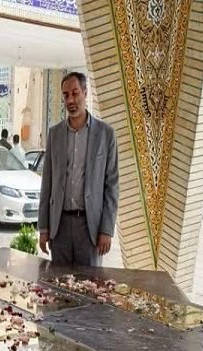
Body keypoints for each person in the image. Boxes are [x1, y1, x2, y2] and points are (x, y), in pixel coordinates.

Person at [37, 72, 118, 266]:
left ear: (85, 93)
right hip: (60, 226)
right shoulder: (54, 134)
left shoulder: (106, 134)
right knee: (58, 281)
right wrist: (44, 227)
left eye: (75, 93)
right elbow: (47, 183)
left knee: (89, 283)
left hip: (90, 228)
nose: (70, 100)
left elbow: (112, 185)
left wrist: (106, 229)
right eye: (66, 95)